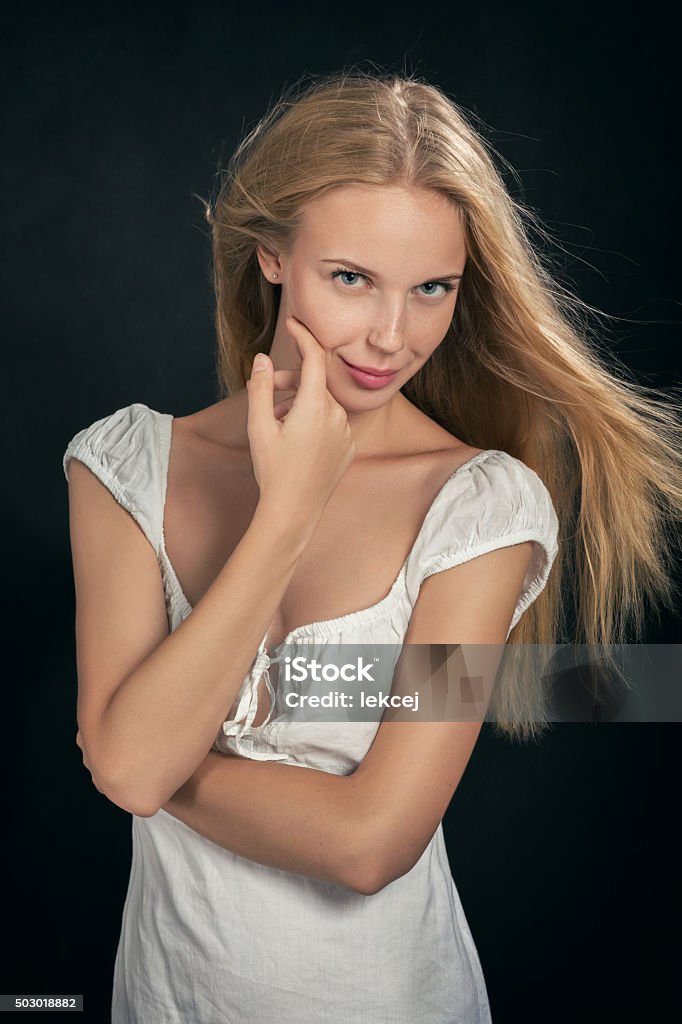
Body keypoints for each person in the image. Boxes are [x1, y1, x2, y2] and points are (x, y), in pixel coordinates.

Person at [62, 70, 682, 1023]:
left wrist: (137, 757)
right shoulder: (125, 465)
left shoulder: (481, 508)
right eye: (351, 278)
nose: (392, 337)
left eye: (432, 289)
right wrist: (285, 516)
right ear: (271, 255)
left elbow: (369, 845)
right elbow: (130, 766)